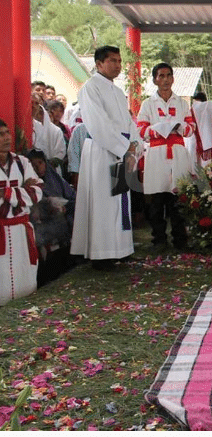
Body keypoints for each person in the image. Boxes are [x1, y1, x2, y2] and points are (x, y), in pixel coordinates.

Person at [71, 46, 140, 270]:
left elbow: (129, 122)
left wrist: (133, 146)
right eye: (113, 60)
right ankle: (101, 254)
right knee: (104, 202)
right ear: (99, 63)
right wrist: (124, 147)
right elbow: (98, 123)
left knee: (120, 201)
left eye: (120, 61)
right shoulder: (90, 88)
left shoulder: (117, 91)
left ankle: (120, 249)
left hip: (120, 151)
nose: (118, 65)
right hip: (102, 151)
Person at [137, 63, 195, 251]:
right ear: (155, 80)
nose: (165, 79)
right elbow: (141, 130)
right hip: (157, 154)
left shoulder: (182, 102)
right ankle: (159, 239)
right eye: (161, 76)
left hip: (177, 153)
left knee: (177, 199)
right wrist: (157, 129)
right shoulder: (147, 104)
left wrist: (178, 127)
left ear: (173, 78)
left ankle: (180, 238)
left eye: (169, 75)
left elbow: (190, 128)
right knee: (157, 200)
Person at [0, 120, 43, 306]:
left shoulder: (22, 162)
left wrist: (6, 193)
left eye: (7, 132)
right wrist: (21, 193)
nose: (7, 137)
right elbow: (28, 194)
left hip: (21, 229)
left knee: (24, 274)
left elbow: (37, 192)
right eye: (1, 134)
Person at [27, 149, 76, 286]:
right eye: (32, 165)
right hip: (42, 224)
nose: (37, 167)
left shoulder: (53, 177)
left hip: (61, 219)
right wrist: (49, 205)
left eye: (40, 163)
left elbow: (71, 196)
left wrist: (65, 206)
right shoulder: (29, 183)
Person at [31, 92, 66, 173]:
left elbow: (61, 152)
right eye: (31, 103)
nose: (33, 107)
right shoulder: (32, 127)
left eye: (36, 104)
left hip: (52, 169)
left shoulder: (56, 130)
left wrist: (49, 163)